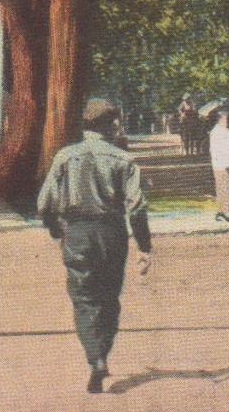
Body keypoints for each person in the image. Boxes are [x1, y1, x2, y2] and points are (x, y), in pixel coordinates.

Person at [36, 98, 152, 393]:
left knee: (84, 297)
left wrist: (55, 229)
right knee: (110, 297)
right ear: (99, 124)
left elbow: (44, 203)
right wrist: (144, 246)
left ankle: (95, 358)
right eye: (112, 120)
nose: (116, 125)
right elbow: (136, 207)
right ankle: (102, 351)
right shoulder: (122, 159)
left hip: (77, 232)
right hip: (112, 233)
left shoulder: (64, 157)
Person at [208, 108, 229, 221]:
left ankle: (224, 212)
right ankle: (221, 213)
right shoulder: (216, 132)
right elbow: (215, 150)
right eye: (225, 118)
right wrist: (222, 165)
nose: (227, 120)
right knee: (222, 189)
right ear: (220, 119)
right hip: (220, 165)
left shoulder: (226, 130)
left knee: (226, 189)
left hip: (227, 164)